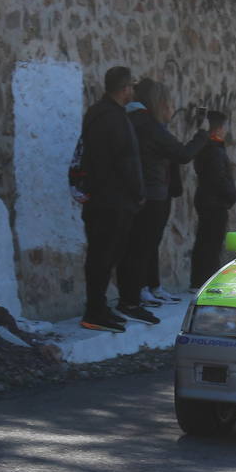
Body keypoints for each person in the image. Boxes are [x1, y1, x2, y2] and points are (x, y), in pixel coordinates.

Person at [119, 78, 208, 324]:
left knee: (138, 246)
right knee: (142, 248)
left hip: (138, 192)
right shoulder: (149, 126)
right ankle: (133, 300)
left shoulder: (130, 121)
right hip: (153, 194)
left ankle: (139, 293)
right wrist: (202, 134)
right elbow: (183, 154)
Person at [75, 66, 143, 333]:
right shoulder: (114, 118)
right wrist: (138, 193)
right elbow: (127, 161)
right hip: (113, 200)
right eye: (131, 87)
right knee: (104, 256)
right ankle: (95, 311)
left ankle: (98, 308)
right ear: (125, 89)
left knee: (100, 255)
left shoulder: (95, 113)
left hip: (98, 198)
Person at [190, 110, 236, 290]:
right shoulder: (214, 151)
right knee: (211, 244)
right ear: (217, 129)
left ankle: (198, 280)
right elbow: (219, 179)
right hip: (215, 203)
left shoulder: (207, 148)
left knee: (204, 241)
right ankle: (206, 282)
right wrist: (230, 195)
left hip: (207, 200)